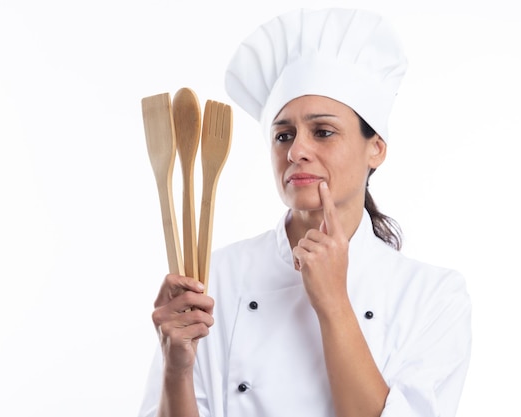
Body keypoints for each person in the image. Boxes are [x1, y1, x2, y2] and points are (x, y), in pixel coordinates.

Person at [138, 7, 471, 417]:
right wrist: (176, 369)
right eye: (283, 135)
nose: (296, 151)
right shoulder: (212, 277)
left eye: (323, 132)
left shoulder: (432, 296)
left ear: (376, 148)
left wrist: (333, 301)